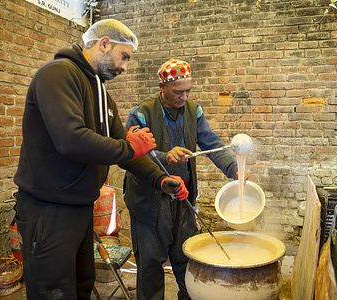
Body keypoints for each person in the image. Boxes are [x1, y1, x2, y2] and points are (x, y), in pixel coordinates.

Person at [13, 20, 189, 300]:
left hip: (80, 209)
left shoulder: (103, 97)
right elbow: (71, 140)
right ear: (104, 43)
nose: (125, 67)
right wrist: (130, 147)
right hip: (47, 210)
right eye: (125, 56)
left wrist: (161, 178)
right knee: (53, 293)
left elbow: (127, 152)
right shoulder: (58, 75)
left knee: (82, 286)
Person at [124, 58, 242, 300]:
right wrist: (164, 156)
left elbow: (211, 143)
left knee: (186, 259)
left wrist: (234, 169)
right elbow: (129, 155)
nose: (184, 97)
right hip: (150, 201)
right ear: (162, 86)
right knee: (150, 264)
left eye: (188, 90)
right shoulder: (142, 113)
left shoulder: (193, 110)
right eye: (178, 91)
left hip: (182, 197)